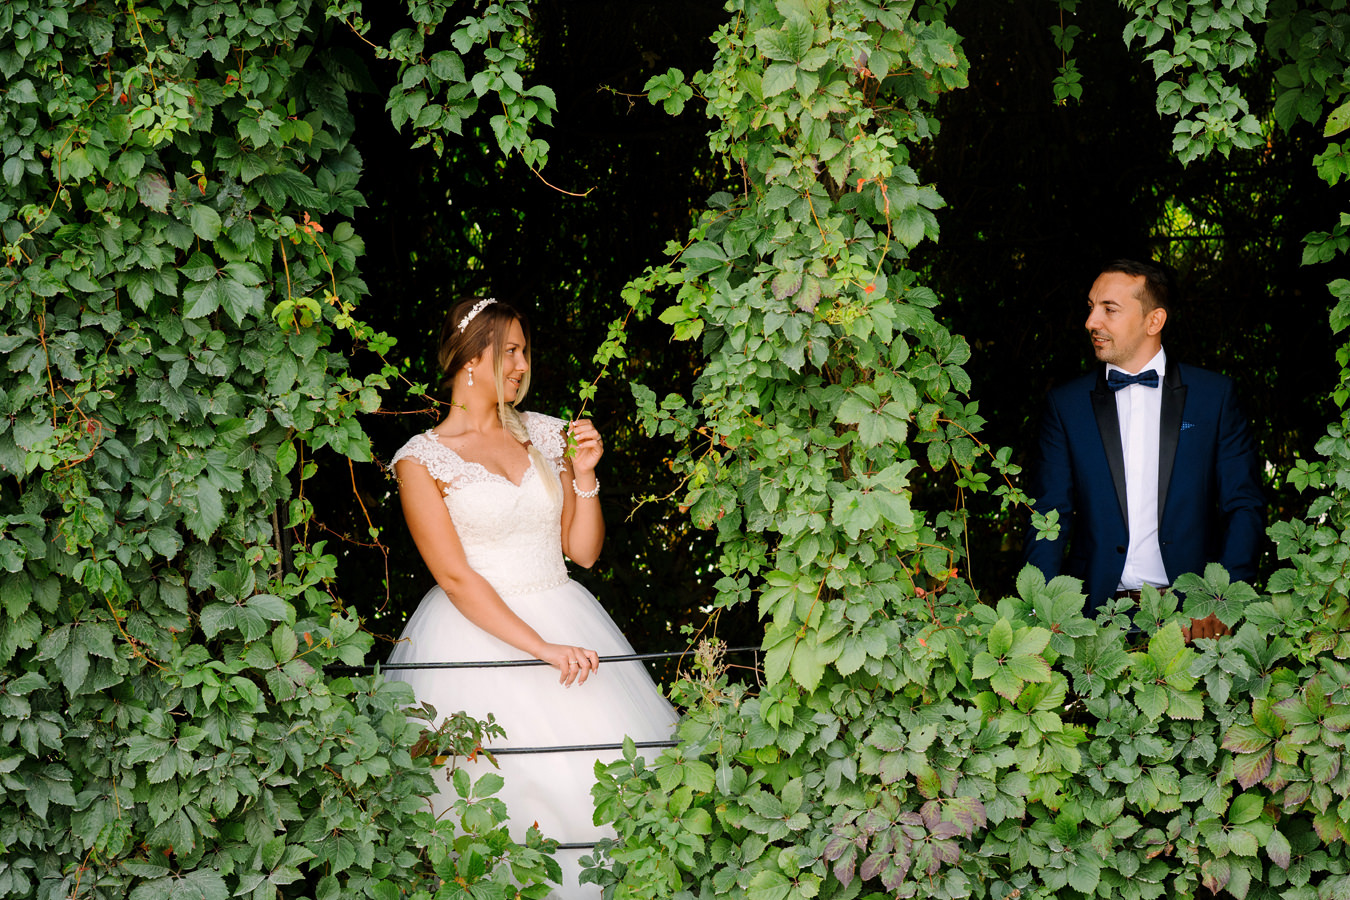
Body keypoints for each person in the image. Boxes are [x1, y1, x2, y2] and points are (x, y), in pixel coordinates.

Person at [386, 297, 678, 898]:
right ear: (470, 358)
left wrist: (586, 474)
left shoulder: (546, 433)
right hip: (474, 636)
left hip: (564, 610)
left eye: (525, 352)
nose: (522, 366)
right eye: (510, 352)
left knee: (600, 789)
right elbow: (456, 578)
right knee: (502, 809)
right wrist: (543, 648)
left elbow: (583, 551)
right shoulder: (421, 460)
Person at [1024, 259, 1264, 634]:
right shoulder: (1066, 406)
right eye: (1091, 307)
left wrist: (1223, 603)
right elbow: (1048, 516)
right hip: (1092, 620)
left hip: (1193, 620)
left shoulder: (1214, 398)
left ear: (1154, 321)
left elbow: (1244, 505)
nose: (1091, 322)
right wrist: (1041, 613)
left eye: (1109, 309)